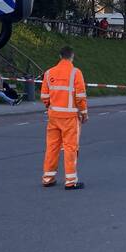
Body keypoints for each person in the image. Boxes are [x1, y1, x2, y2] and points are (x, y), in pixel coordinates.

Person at [40, 46, 88, 190]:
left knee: (52, 147)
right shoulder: (75, 73)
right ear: (72, 57)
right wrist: (84, 113)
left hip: (53, 116)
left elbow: (44, 96)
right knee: (70, 148)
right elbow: (80, 96)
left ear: (60, 56)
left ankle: (48, 178)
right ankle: (71, 181)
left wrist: (50, 106)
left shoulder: (49, 73)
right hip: (70, 117)